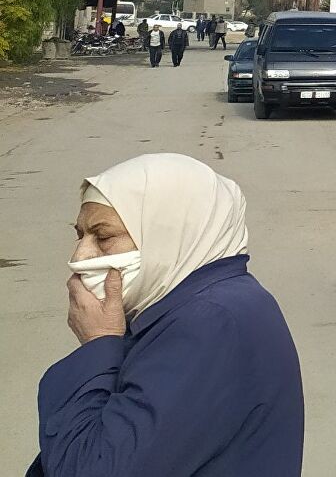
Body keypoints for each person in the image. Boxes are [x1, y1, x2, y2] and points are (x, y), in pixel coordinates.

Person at [33, 153, 304, 476]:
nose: (80, 257)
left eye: (103, 237)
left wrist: (98, 343)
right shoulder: (194, 304)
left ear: (168, 234)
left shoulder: (207, 323)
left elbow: (94, 467)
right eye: (80, 235)